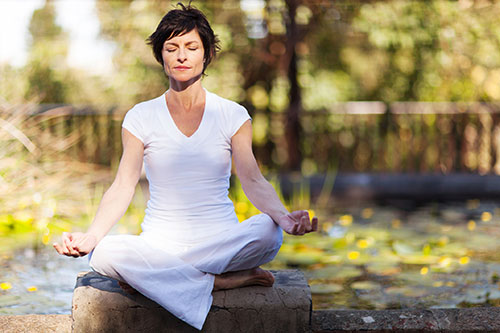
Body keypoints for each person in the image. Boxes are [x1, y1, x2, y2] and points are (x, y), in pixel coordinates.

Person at [53, 3, 318, 330]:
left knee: (268, 232)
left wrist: (283, 217)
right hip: (159, 244)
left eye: (191, 47)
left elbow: (252, 179)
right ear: (161, 56)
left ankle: (157, 279)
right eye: (172, 48)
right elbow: (123, 186)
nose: (181, 55)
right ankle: (217, 282)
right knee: (104, 252)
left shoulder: (232, 115)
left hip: (221, 240)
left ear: (206, 55)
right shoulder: (140, 117)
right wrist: (91, 236)